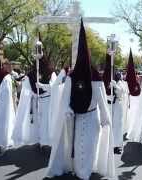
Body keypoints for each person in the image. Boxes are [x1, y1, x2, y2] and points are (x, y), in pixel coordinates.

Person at [45, 19, 115, 180]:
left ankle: (84, 174)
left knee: (89, 148)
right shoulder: (72, 76)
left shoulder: (95, 76)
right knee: (77, 147)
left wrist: (105, 118)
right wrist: (68, 109)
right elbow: (65, 99)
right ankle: (78, 171)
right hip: (76, 118)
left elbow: (101, 99)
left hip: (91, 118)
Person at [12, 33, 57, 149]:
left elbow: (54, 87)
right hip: (37, 101)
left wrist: (43, 86)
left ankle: (46, 142)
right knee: (37, 121)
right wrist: (29, 86)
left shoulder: (50, 72)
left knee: (46, 121)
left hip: (47, 100)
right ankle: (39, 140)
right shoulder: (32, 73)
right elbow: (27, 89)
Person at [103, 53, 128, 155]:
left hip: (117, 105)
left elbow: (122, 92)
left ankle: (116, 146)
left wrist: (116, 86)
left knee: (117, 126)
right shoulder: (105, 78)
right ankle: (107, 145)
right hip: (108, 104)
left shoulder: (120, 82)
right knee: (108, 125)